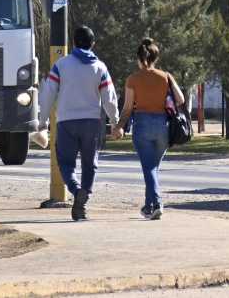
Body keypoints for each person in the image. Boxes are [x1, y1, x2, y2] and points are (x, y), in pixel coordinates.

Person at [38, 25, 119, 221]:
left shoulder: (61, 65)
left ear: (73, 42)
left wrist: (43, 120)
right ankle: (83, 201)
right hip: (92, 123)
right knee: (90, 164)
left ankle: (76, 190)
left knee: (65, 163)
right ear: (93, 44)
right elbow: (109, 97)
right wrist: (115, 121)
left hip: (66, 122)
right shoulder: (100, 67)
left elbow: (48, 93)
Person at [114, 38, 184, 220]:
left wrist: (119, 126)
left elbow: (128, 107)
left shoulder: (133, 79)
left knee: (149, 168)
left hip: (142, 125)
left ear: (139, 58)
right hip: (163, 126)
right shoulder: (165, 76)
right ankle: (148, 206)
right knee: (152, 168)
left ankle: (158, 203)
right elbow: (181, 99)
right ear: (156, 57)